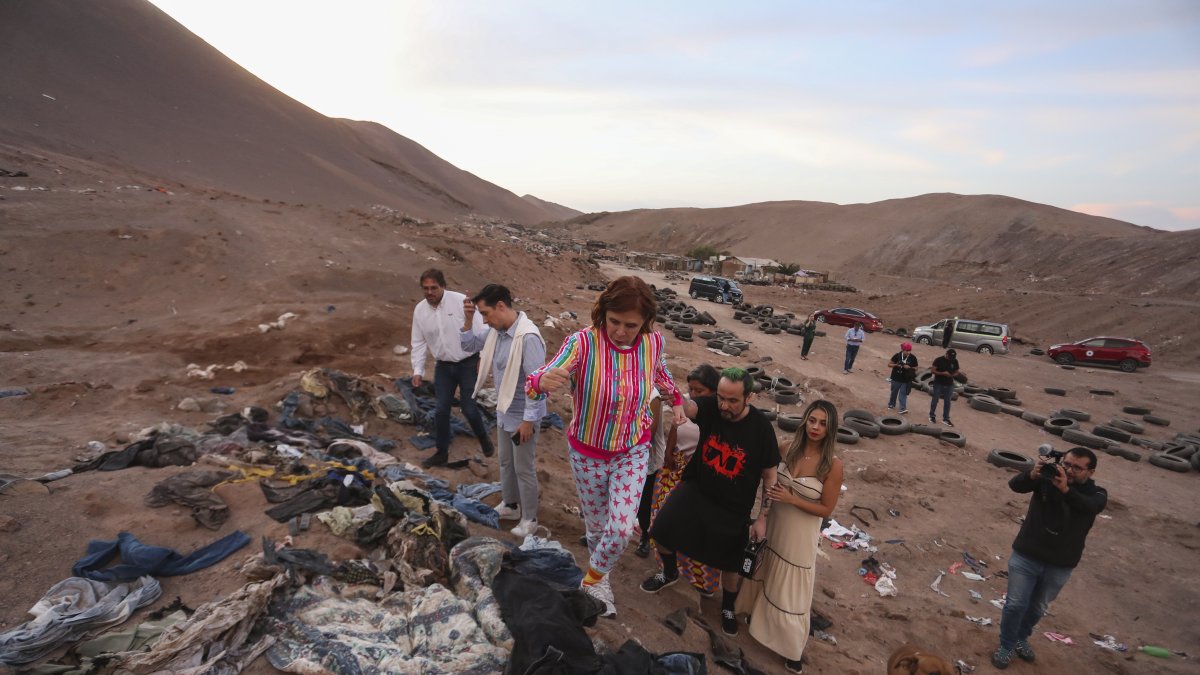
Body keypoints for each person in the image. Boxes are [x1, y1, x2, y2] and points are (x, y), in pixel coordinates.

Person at [526, 275, 685, 617]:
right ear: (603, 313)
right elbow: (539, 379)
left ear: (645, 322)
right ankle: (603, 582)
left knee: (622, 528)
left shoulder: (653, 343)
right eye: (614, 321)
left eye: (631, 325)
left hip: (633, 449)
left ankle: (591, 580)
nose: (620, 331)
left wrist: (677, 402)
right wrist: (541, 382)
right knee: (598, 529)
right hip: (588, 454)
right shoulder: (582, 343)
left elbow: (661, 374)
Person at [640, 367, 780, 641]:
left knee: (731, 564)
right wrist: (674, 397)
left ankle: (727, 607)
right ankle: (669, 572)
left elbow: (770, 476)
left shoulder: (761, 429)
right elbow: (691, 407)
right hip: (697, 489)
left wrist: (762, 517)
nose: (724, 406)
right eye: (721, 398)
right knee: (661, 530)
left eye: (732, 401)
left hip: (734, 506)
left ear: (749, 398)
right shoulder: (712, 408)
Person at [737, 399, 843, 674]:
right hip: (774, 525)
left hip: (800, 535)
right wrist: (762, 515)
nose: (816, 427)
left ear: (830, 429)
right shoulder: (786, 448)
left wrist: (792, 499)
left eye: (823, 423)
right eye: (812, 420)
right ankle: (755, 618)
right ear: (805, 420)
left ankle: (791, 648)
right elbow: (768, 482)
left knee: (793, 589)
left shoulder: (833, 466)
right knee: (766, 571)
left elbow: (826, 509)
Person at [991, 448, 1107, 669]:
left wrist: (1065, 490)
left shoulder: (1097, 493)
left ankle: (1021, 638)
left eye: (1077, 468)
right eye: (1067, 464)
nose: (1069, 471)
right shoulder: (1047, 479)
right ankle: (1007, 645)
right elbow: (1015, 485)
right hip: (1027, 554)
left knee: (1037, 608)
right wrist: (1031, 475)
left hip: (1060, 564)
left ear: (1090, 472)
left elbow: (1090, 507)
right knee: (1015, 605)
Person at [459, 284, 546, 538]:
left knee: (523, 467)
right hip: (504, 409)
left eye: (485, 314)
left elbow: (537, 383)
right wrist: (468, 320)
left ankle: (530, 518)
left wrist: (528, 421)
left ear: (500, 306)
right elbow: (469, 345)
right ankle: (510, 505)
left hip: (523, 415)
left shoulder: (527, 338)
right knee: (506, 462)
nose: (485, 320)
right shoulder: (496, 333)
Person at [647, 365, 723, 596]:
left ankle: (701, 581)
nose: (693, 394)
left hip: (700, 474)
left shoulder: (718, 414)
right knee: (662, 520)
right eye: (691, 389)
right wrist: (669, 452)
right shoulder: (687, 403)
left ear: (713, 391)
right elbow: (675, 426)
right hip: (674, 468)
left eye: (699, 390)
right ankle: (668, 569)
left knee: (697, 529)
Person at [410, 268, 493, 468]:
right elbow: (418, 342)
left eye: (434, 288)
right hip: (444, 367)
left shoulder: (461, 302)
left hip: (468, 363)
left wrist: (482, 357)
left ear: (443, 286)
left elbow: (483, 330)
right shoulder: (420, 311)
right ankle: (441, 452)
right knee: (441, 411)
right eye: (426, 288)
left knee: (469, 408)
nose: (430, 292)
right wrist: (418, 371)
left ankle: (483, 438)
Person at [633, 390, 668, 557]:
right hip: (621, 452)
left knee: (644, 502)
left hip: (646, 457)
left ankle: (645, 537)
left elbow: (649, 433)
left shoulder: (652, 394)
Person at [928, 348, 959, 426]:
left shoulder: (954, 361)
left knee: (948, 402)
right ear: (946, 354)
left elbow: (957, 372)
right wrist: (943, 373)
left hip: (949, 384)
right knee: (935, 400)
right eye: (950, 357)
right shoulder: (938, 360)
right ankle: (932, 416)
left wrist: (951, 375)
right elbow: (932, 371)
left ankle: (946, 419)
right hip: (938, 383)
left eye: (952, 357)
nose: (951, 359)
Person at [887, 342, 918, 414]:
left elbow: (916, 368)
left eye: (909, 350)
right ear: (902, 350)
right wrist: (896, 365)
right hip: (896, 378)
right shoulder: (897, 355)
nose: (908, 352)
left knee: (903, 393)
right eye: (907, 350)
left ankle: (902, 408)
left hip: (906, 379)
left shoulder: (913, 357)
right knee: (894, 392)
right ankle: (891, 404)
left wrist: (909, 367)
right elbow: (889, 364)